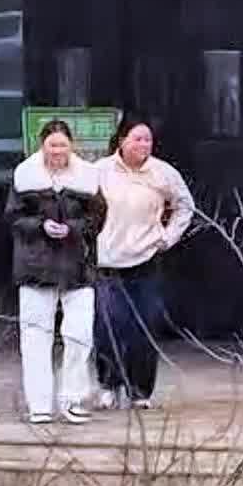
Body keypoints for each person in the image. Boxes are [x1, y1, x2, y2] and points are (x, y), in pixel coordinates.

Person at [5, 120, 106, 425]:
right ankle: (39, 405)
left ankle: (73, 399)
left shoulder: (87, 177)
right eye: (52, 145)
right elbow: (14, 217)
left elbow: (98, 218)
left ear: (71, 146)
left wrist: (72, 229)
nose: (58, 151)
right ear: (42, 146)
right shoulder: (25, 175)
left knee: (80, 335)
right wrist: (41, 226)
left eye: (62, 145)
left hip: (78, 266)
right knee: (35, 336)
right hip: (35, 266)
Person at [94, 116, 193, 411]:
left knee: (144, 328)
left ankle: (139, 391)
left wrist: (168, 237)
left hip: (147, 259)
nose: (144, 144)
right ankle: (108, 385)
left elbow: (185, 206)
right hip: (108, 260)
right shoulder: (100, 170)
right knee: (108, 326)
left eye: (148, 139)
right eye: (137, 138)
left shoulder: (163, 172)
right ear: (122, 140)